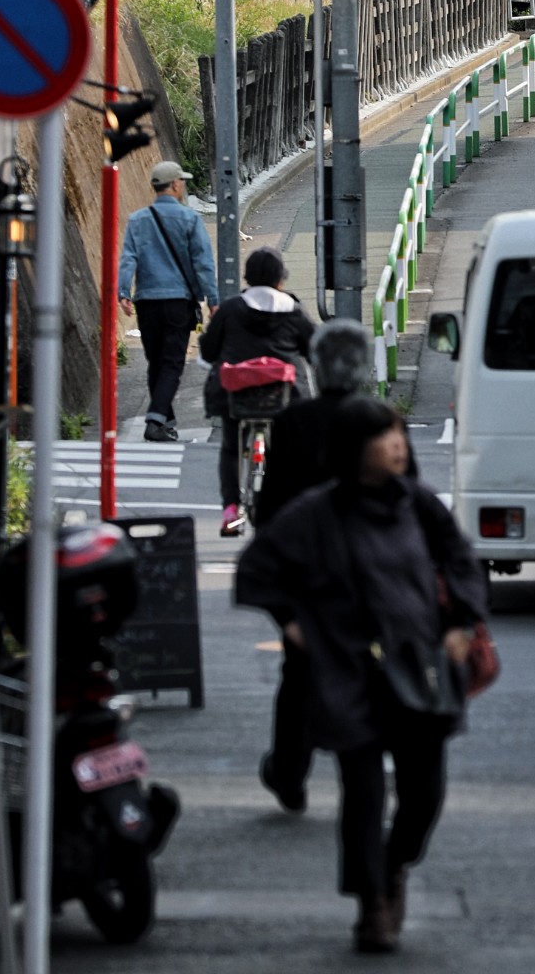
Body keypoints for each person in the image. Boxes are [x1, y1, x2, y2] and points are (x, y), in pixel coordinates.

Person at [236, 398, 487, 955]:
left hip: (419, 664)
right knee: (364, 793)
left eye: (399, 434)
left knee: (424, 792)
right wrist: (293, 623)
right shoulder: (315, 512)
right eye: (384, 437)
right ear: (355, 449)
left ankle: (397, 861)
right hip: (348, 668)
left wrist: (462, 624)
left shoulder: (418, 504)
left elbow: (461, 560)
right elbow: (257, 567)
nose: (398, 445)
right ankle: (372, 903)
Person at [254, 319, 375, 815]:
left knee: (299, 678)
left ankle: (289, 773)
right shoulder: (380, 421)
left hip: (308, 580)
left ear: (316, 366)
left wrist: (281, 603)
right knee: (370, 675)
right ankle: (365, 777)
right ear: (364, 367)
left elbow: (271, 512)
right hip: (370, 581)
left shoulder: (292, 423)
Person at [199, 248, 315, 538]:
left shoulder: (230, 309)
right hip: (284, 397)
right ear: (281, 279)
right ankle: (283, 508)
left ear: (247, 277)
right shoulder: (294, 310)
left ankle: (230, 511)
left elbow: (209, 350)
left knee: (230, 447)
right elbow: (314, 349)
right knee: (288, 450)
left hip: (233, 394)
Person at [117, 160, 217, 444]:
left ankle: (165, 421)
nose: (183, 185)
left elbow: (128, 258)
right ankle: (154, 419)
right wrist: (213, 299)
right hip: (177, 302)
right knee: (172, 363)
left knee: (156, 363)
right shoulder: (190, 219)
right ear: (174, 185)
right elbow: (203, 264)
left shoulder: (138, 219)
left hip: (146, 301)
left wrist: (123, 291)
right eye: (181, 181)